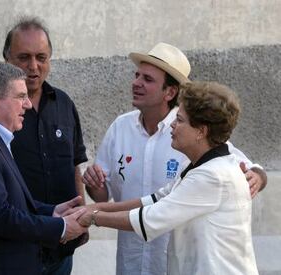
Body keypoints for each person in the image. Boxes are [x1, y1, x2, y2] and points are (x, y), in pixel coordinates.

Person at [83, 43, 267, 275]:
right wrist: (96, 206)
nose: (172, 126)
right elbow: (153, 199)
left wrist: (91, 217)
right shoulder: (193, 166)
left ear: (201, 130)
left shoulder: (213, 175)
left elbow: (151, 217)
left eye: (179, 120)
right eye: (136, 75)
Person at [0, 60, 88, 275]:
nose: (28, 104)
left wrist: (52, 211)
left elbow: (11, 201)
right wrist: (60, 227)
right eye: (20, 96)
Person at [3, 16, 88, 274]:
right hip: (16, 249)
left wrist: (82, 217)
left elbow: (75, 166)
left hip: (61, 248)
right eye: (24, 57)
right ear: (6, 58)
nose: (33, 66)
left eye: (41, 57)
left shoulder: (63, 104)